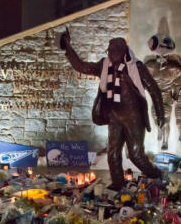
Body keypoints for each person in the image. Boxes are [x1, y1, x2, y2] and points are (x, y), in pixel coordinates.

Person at [60, 30, 165, 190]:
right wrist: (67, 47)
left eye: (113, 52)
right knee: (113, 154)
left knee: (136, 155)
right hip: (114, 116)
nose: (110, 55)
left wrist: (160, 113)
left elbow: (154, 90)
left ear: (122, 52)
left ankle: (158, 176)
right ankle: (118, 184)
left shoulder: (136, 68)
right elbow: (82, 66)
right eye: (109, 52)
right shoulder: (104, 66)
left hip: (133, 118)